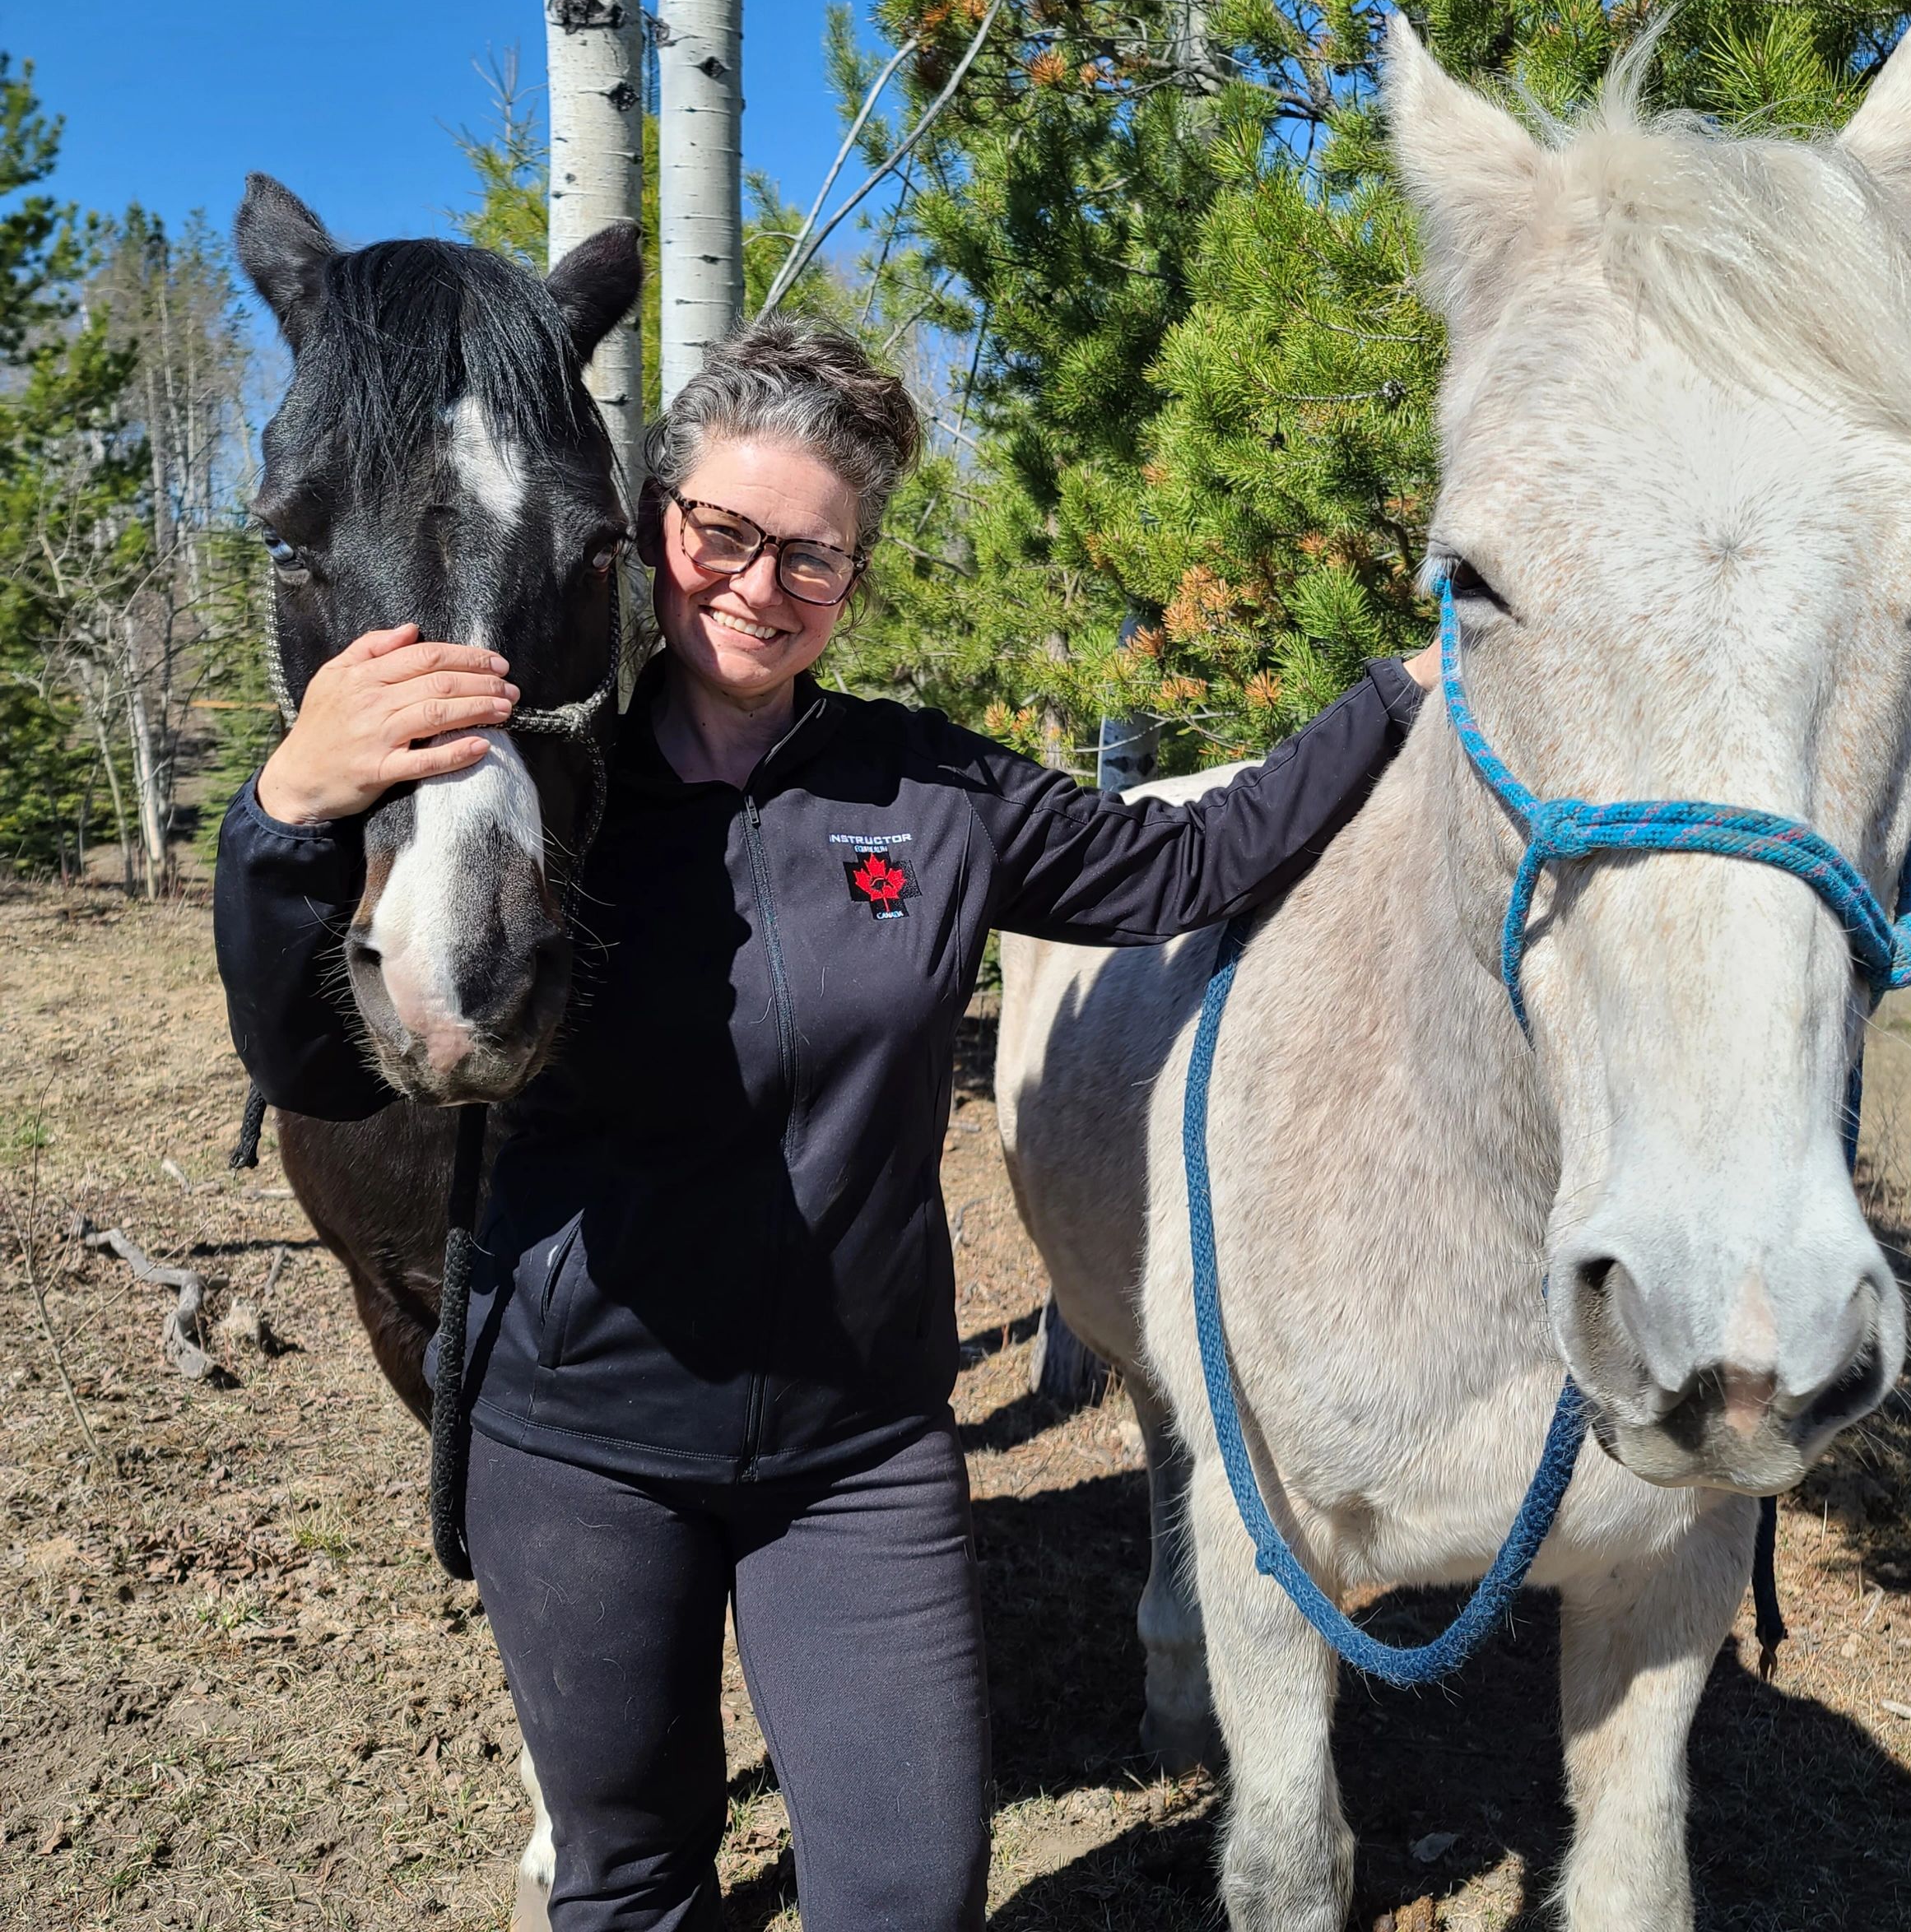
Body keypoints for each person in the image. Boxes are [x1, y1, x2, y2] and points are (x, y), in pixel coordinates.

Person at [215, 320, 1439, 1932]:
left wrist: (1395, 689)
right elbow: (309, 1059)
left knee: (906, 1888)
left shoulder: (929, 788)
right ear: (651, 527)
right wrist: (281, 814)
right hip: (580, 1444)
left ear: (853, 574)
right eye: (720, 532)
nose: (754, 584)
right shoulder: (531, 790)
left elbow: (1187, 867)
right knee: (631, 1876)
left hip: (851, 1451)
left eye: (811, 553)